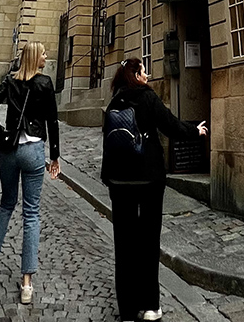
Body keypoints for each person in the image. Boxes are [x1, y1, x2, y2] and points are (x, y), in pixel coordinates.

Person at [101, 58, 207, 322]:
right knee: (148, 242)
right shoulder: (148, 99)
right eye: (143, 71)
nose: (147, 75)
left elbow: (108, 141)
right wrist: (196, 131)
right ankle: (150, 305)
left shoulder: (114, 101)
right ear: (136, 74)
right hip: (148, 180)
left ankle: (126, 310)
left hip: (120, 182)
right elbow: (170, 125)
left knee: (124, 246)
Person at [0, 41, 60, 305]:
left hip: (9, 150)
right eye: (44, 54)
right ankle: (27, 282)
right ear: (36, 58)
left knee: (5, 205)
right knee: (32, 214)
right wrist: (55, 156)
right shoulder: (45, 83)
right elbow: (52, 121)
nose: (46, 56)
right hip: (33, 150)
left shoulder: (11, 81)